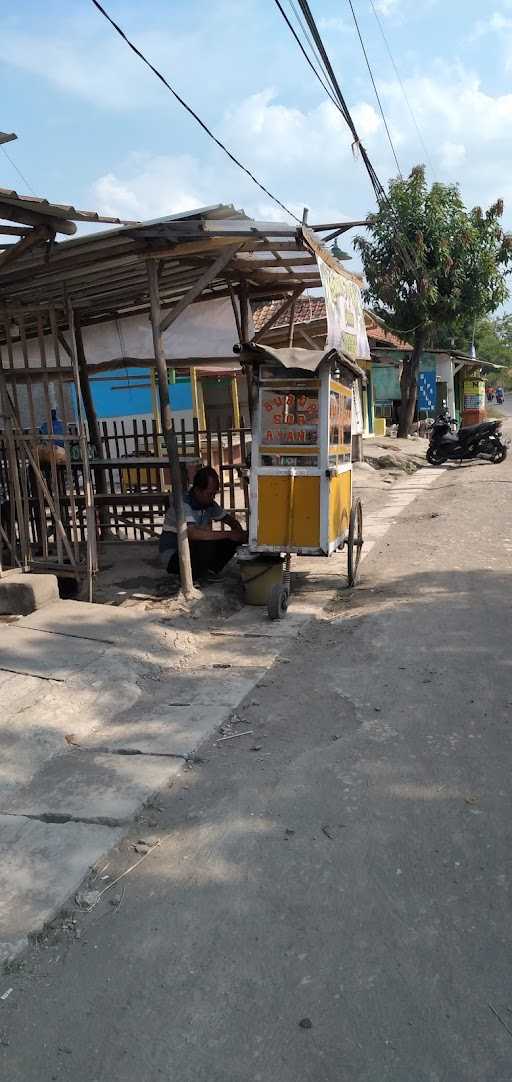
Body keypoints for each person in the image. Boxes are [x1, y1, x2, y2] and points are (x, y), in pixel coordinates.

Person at [159, 465, 247, 581]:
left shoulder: (208, 504)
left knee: (230, 540)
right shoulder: (183, 503)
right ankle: (194, 576)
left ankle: (209, 571)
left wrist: (238, 533)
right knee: (207, 541)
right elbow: (192, 534)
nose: (212, 498)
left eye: (214, 494)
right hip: (173, 556)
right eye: (209, 494)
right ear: (197, 490)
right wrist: (229, 534)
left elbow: (230, 520)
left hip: (192, 551)